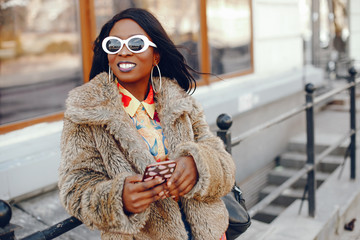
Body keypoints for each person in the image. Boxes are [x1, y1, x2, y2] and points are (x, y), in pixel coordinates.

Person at [58, 8, 235, 240]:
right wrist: (118, 198)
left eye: (136, 44)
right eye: (114, 45)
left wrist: (198, 164)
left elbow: (224, 165)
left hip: (208, 233)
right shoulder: (85, 113)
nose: (123, 52)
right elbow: (75, 189)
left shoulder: (180, 102)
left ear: (156, 56)